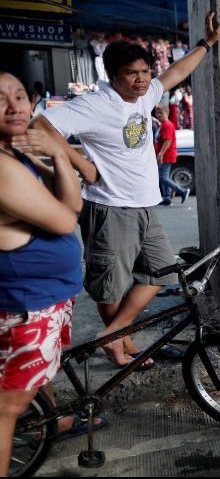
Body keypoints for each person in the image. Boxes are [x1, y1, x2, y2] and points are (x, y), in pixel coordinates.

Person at [31, 11, 220, 367]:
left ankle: (114, 333)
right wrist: (82, 164)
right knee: (111, 286)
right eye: (131, 74)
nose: (141, 80)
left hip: (146, 206)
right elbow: (38, 127)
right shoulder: (95, 105)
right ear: (112, 75)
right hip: (109, 208)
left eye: (145, 72)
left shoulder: (146, 93)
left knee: (161, 271)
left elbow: (176, 72)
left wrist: (205, 44)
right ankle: (121, 346)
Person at [0, 71, 84, 476]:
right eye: (1, 98)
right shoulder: (3, 167)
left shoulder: (15, 155)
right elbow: (67, 220)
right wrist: (58, 153)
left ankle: (52, 421)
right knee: (5, 412)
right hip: (24, 309)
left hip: (39, 304)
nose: (15, 105)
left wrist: (57, 151)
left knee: (19, 400)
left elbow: (74, 201)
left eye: (20, 95)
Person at [154, 105, 190, 205]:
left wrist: (161, 154)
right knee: (164, 177)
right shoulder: (163, 124)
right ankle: (167, 198)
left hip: (166, 155)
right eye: (157, 113)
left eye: (161, 113)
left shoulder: (167, 125)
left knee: (162, 177)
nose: (159, 115)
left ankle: (182, 191)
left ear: (167, 113)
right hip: (164, 155)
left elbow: (168, 141)